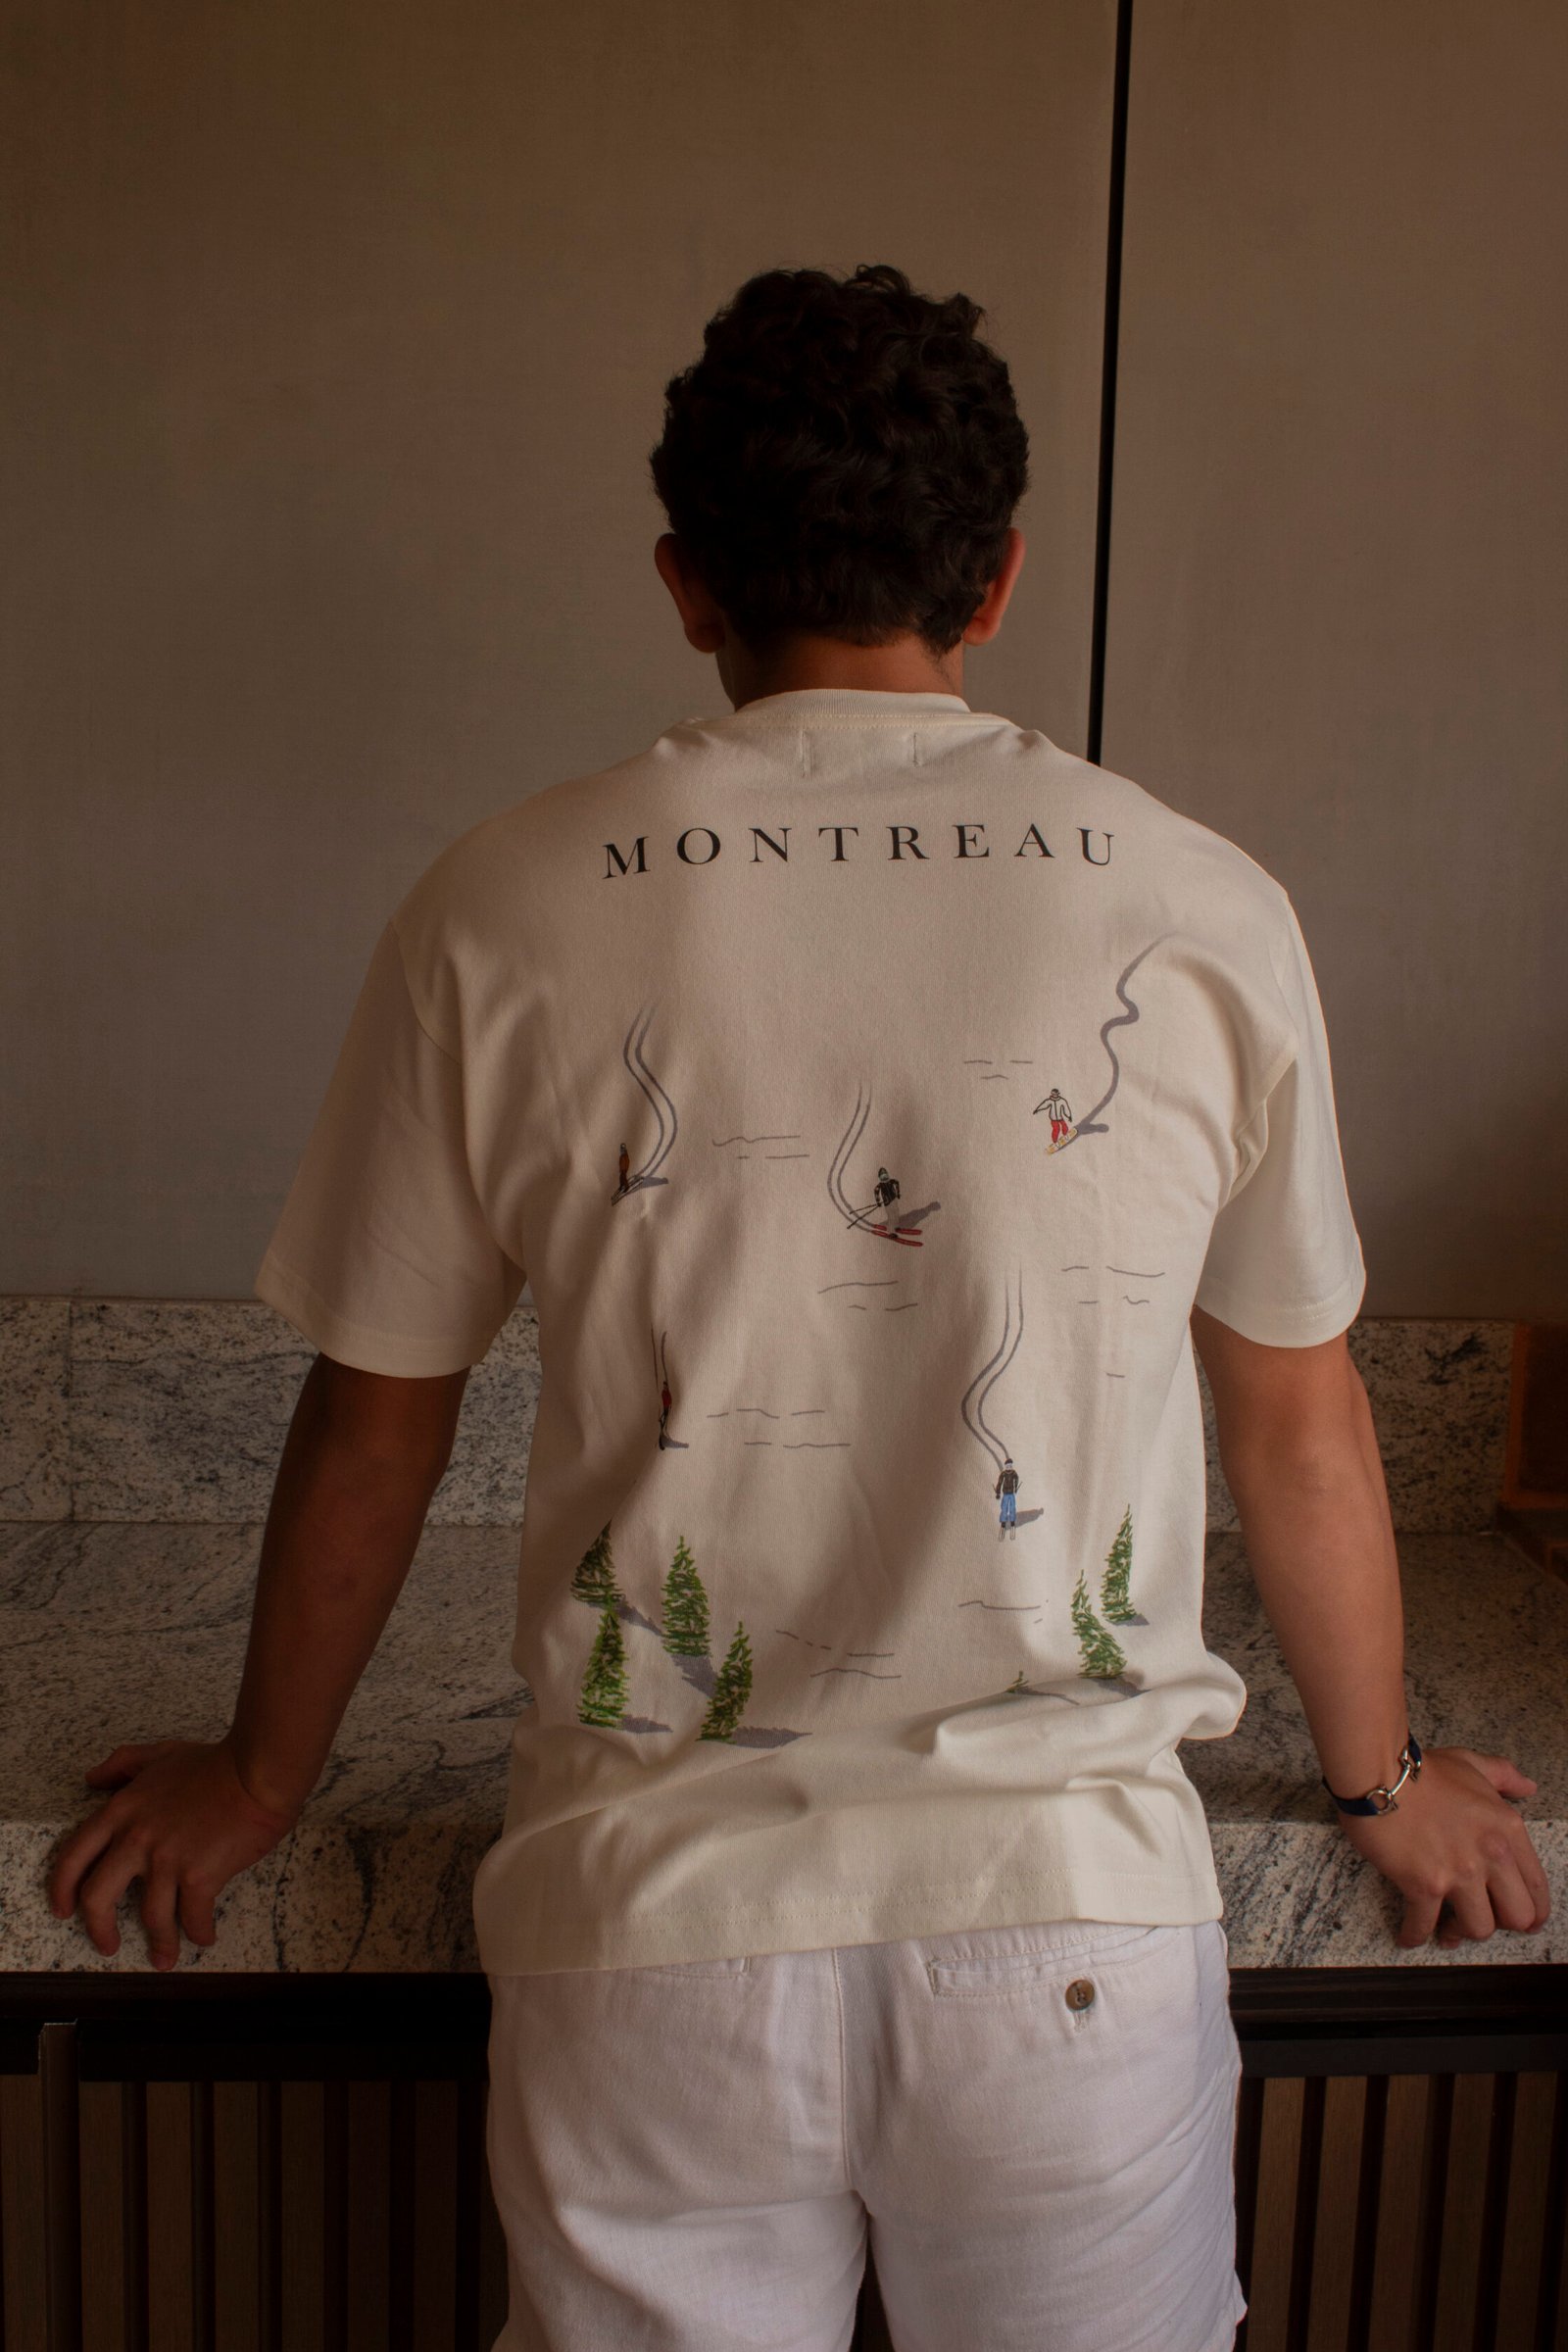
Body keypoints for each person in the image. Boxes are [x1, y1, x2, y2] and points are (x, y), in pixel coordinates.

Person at [47, 262, 1550, 2352]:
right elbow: (1298, 1421)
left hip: (649, 1936)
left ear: (685, 584)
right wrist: (1382, 1786)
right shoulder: (1201, 903)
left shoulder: (500, 903)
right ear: (997, 574)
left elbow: (377, 1418)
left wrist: (257, 1776)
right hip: (1068, 1934)